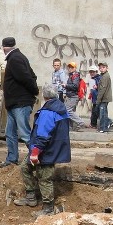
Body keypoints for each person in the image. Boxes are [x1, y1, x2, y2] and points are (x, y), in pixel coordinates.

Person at [13, 84, 71, 216]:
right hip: (52, 149)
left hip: (45, 151)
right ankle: (31, 197)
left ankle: (48, 209)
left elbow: (43, 135)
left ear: (44, 96)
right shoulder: (61, 109)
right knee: (25, 168)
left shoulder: (48, 112)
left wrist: (35, 152)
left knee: (44, 178)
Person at [0, 37, 38, 167]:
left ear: (4, 47)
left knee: (24, 133)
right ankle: (11, 159)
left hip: (20, 103)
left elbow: (26, 77)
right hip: (14, 103)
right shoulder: (18, 57)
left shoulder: (15, 59)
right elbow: (32, 75)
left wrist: (34, 91)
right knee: (10, 133)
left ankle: (37, 158)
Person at [62, 62, 88, 130]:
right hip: (70, 96)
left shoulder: (75, 75)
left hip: (73, 96)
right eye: (69, 67)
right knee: (71, 111)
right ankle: (70, 127)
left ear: (75, 68)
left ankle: (80, 122)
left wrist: (66, 85)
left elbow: (75, 86)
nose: (70, 68)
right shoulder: (71, 75)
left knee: (67, 110)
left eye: (72, 67)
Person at [96, 61, 113, 133]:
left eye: (103, 67)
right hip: (104, 98)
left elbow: (103, 89)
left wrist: (98, 99)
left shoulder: (105, 76)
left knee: (102, 113)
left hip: (104, 98)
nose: (101, 69)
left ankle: (103, 127)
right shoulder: (103, 75)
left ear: (107, 68)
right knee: (104, 112)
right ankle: (107, 123)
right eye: (100, 68)